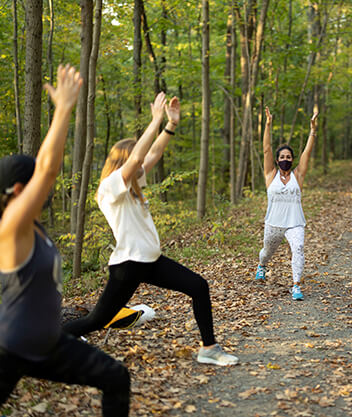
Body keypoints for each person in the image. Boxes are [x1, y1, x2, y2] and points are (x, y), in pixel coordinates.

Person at [63, 92, 238, 367]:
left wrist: (171, 125)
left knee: (198, 287)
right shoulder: (110, 187)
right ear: (124, 159)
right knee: (98, 320)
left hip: (150, 261)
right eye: (135, 157)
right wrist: (155, 120)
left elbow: (153, 153)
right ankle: (46, 344)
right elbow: (137, 160)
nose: (142, 163)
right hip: (128, 265)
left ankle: (209, 348)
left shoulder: (133, 183)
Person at [0, 65, 130, 416]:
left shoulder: (37, 229)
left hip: (47, 345)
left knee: (116, 377)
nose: (49, 187)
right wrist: (63, 110)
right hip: (9, 349)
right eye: (37, 184)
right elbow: (47, 168)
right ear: (17, 191)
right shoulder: (11, 226)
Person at [254, 107, 318, 301]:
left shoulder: (297, 175)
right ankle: (262, 266)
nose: (285, 160)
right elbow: (266, 148)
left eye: (288, 157)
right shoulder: (270, 175)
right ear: (276, 160)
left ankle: (296, 285)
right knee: (267, 252)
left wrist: (313, 130)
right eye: (282, 157)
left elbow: (307, 151)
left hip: (294, 222)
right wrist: (267, 124)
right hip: (273, 223)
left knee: (298, 248)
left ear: (292, 160)